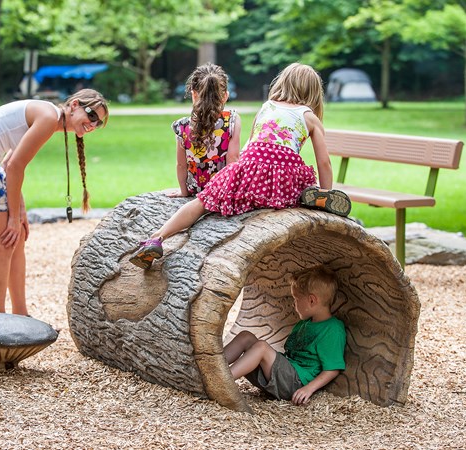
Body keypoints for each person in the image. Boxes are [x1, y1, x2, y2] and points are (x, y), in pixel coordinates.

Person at [129, 62, 350, 269]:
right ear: (313, 92)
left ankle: (157, 238)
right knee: (299, 184)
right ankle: (316, 198)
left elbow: (253, 144)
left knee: (202, 202)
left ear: (282, 83)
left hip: (250, 167)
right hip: (283, 177)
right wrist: (326, 191)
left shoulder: (267, 107)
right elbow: (324, 162)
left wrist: (238, 178)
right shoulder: (309, 117)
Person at [0, 89, 108, 316]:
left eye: (97, 123)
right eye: (91, 116)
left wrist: (19, 213)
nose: (92, 124)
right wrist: (12, 217)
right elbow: (14, 167)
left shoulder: (49, 117)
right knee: (4, 241)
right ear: (74, 105)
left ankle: (20, 314)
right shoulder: (49, 117)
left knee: (16, 236)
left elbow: (9, 164)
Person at [223, 265, 346, 405]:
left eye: (296, 299)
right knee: (246, 336)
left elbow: (332, 369)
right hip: (284, 375)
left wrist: (308, 389)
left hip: (296, 382)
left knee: (262, 347)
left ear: (312, 300)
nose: (294, 304)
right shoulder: (304, 323)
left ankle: (221, 383)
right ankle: (213, 369)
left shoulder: (332, 329)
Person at [167, 63, 241, 198]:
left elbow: (181, 165)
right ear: (225, 96)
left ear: (194, 94)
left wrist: (184, 192)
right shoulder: (232, 120)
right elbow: (233, 159)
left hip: (196, 188)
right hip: (221, 188)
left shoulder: (182, 126)